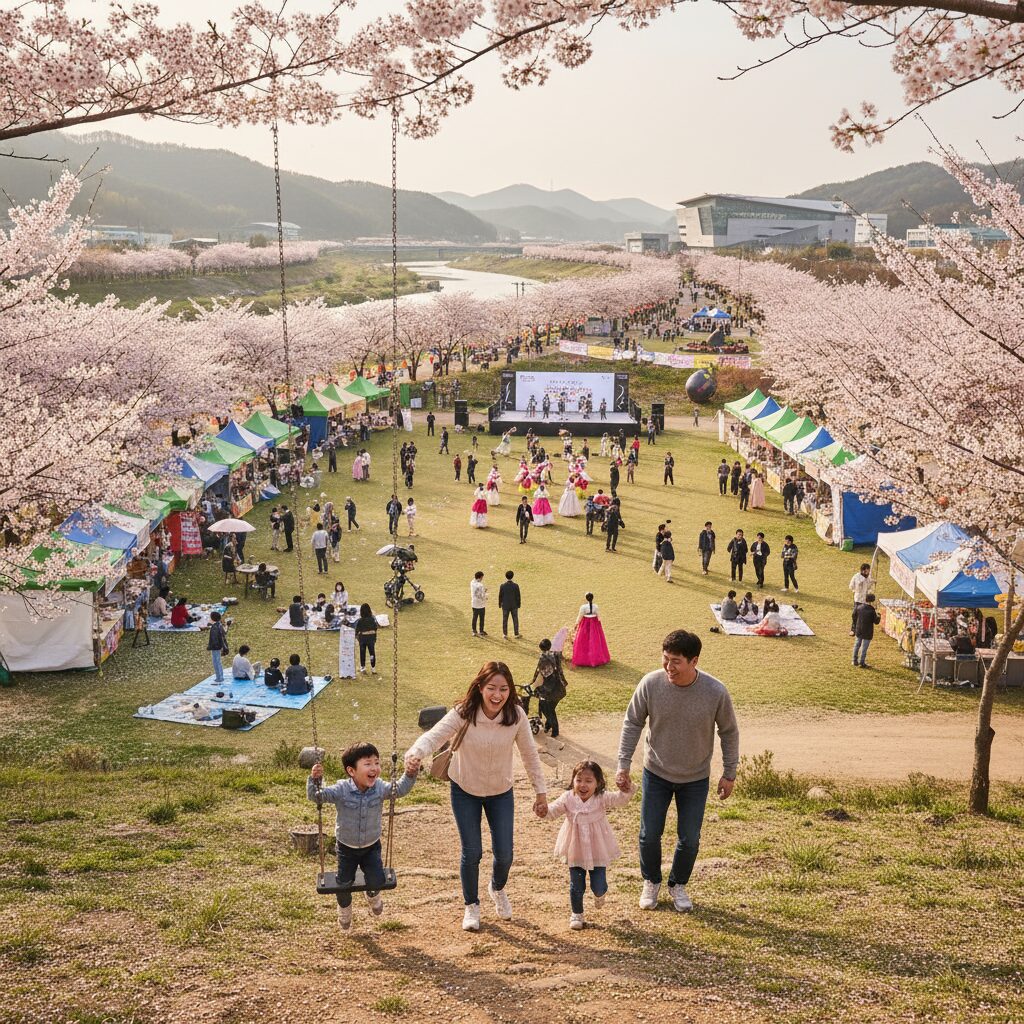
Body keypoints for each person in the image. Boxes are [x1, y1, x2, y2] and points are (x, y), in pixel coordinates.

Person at [405, 662, 547, 932]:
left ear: (510, 691)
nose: (497, 695)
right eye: (491, 688)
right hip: (465, 790)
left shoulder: (516, 715)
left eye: (504, 689)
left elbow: (530, 756)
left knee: (505, 854)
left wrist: (540, 792)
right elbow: (435, 736)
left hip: (500, 792)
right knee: (472, 852)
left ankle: (497, 888)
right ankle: (471, 905)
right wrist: (414, 753)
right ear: (480, 687)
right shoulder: (464, 712)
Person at [616, 630, 739, 913]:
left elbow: (729, 732)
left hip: (695, 777)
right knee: (649, 834)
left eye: (676, 662)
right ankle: (651, 881)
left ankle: (678, 884)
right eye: (665, 659)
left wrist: (729, 772)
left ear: (694, 661)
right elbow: (632, 723)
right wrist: (623, 764)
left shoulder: (715, 691)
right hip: (656, 771)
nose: (669, 667)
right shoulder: (650, 684)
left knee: (690, 838)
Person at [308, 741, 419, 930]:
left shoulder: (380, 788)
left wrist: (410, 774)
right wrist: (315, 780)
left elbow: (400, 789)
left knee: (377, 880)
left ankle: (372, 894)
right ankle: (344, 911)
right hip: (346, 848)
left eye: (377, 762)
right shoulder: (341, 790)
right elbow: (317, 796)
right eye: (368, 764)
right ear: (351, 771)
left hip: (371, 846)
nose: (374, 768)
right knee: (343, 884)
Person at [543, 760, 635, 930]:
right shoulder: (568, 798)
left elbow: (620, 800)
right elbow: (553, 811)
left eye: (588, 781)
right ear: (573, 781)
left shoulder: (601, 798)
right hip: (575, 848)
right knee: (576, 884)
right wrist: (543, 810)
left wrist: (626, 789)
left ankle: (600, 894)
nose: (583, 785)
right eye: (579, 780)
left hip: (597, 848)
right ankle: (577, 914)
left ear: (598, 783)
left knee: (598, 885)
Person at [531, 638, 568, 737]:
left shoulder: (543, 658)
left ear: (541, 648)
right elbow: (559, 671)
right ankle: (548, 726)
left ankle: (555, 731)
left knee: (547, 709)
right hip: (560, 687)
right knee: (550, 708)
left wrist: (533, 683)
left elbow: (540, 673)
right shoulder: (556, 655)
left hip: (550, 689)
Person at [572, 593, 610, 667]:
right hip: (594, 624)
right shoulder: (595, 606)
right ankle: (596, 658)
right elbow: (598, 616)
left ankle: (584, 658)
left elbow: (580, 616)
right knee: (595, 640)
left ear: (586, 598)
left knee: (583, 640)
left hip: (585, 624)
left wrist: (576, 624)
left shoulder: (583, 607)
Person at [852, 594, 880, 667]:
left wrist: (855, 625)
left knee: (857, 645)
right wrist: (879, 616)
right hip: (867, 631)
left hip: (859, 629)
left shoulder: (859, 607)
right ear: (872, 601)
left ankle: (854, 660)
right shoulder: (872, 610)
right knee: (864, 648)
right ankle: (862, 662)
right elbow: (876, 622)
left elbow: (854, 615)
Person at [849, 563, 875, 636]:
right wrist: (856, 589)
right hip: (858, 599)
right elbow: (851, 586)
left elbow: (868, 587)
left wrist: (872, 583)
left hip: (865, 600)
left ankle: (861, 630)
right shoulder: (856, 576)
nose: (868, 572)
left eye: (869, 571)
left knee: (864, 615)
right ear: (862, 571)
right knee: (855, 614)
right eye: (867, 571)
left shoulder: (868, 577)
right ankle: (853, 629)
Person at [355, 602, 379, 675]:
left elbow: (357, 630)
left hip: (363, 639)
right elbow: (375, 628)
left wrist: (357, 637)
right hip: (371, 639)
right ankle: (373, 668)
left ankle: (363, 667)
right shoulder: (372, 619)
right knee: (372, 653)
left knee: (363, 653)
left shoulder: (360, 620)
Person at [207, 611, 228, 683]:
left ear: (213, 618)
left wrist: (212, 647)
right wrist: (227, 626)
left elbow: (214, 638)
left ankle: (219, 678)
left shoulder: (214, 627)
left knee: (216, 662)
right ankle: (220, 677)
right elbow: (224, 632)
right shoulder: (219, 625)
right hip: (218, 646)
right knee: (218, 662)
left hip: (215, 647)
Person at [471, 571, 488, 637]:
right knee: (481, 618)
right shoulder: (481, 585)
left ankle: (474, 630)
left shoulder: (472, 582)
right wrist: (485, 593)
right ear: (480, 577)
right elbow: (482, 595)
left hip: (474, 604)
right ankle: (481, 631)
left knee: (474, 618)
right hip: (481, 604)